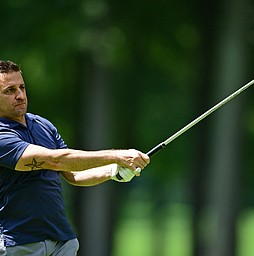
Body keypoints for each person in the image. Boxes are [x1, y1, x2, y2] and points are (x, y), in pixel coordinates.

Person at [0, 60, 150, 255]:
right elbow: (55, 160)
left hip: (62, 240)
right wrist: (116, 156)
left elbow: (73, 175)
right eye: (9, 91)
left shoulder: (43, 125)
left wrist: (112, 171)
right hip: (19, 243)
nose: (20, 95)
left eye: (21, 87)